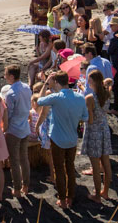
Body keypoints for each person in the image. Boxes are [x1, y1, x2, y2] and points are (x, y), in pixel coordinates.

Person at [35, 71, 87, 209]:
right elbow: (85, 117)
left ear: (56, 82)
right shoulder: (79, 98)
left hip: (57, 139)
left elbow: (38, 101)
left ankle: (63, 200)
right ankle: (70, 197)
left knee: (59, 169)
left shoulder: (56, 97)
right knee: (70, 168)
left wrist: (46, 83)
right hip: (72, 138)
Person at [0, 64, 33, 199]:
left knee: (14, 161)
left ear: (12, 76)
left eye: (6, 75)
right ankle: (26, 186)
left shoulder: (11, 93)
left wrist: (4, 129)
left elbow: (9, 114)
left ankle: (17, 188)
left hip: (14, 129)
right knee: (24, 158)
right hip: (25, 127)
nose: (5, 77)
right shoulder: (26, 88)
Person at [83, 70, 113, 202]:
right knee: (106, 164)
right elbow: (108, 83)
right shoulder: (106, 94)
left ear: (93, 82)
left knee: (96, 167)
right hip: (104, 129)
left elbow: (89, 120)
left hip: (94, 130)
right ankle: (105, 192)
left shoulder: (90, 98)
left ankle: (97, 196)